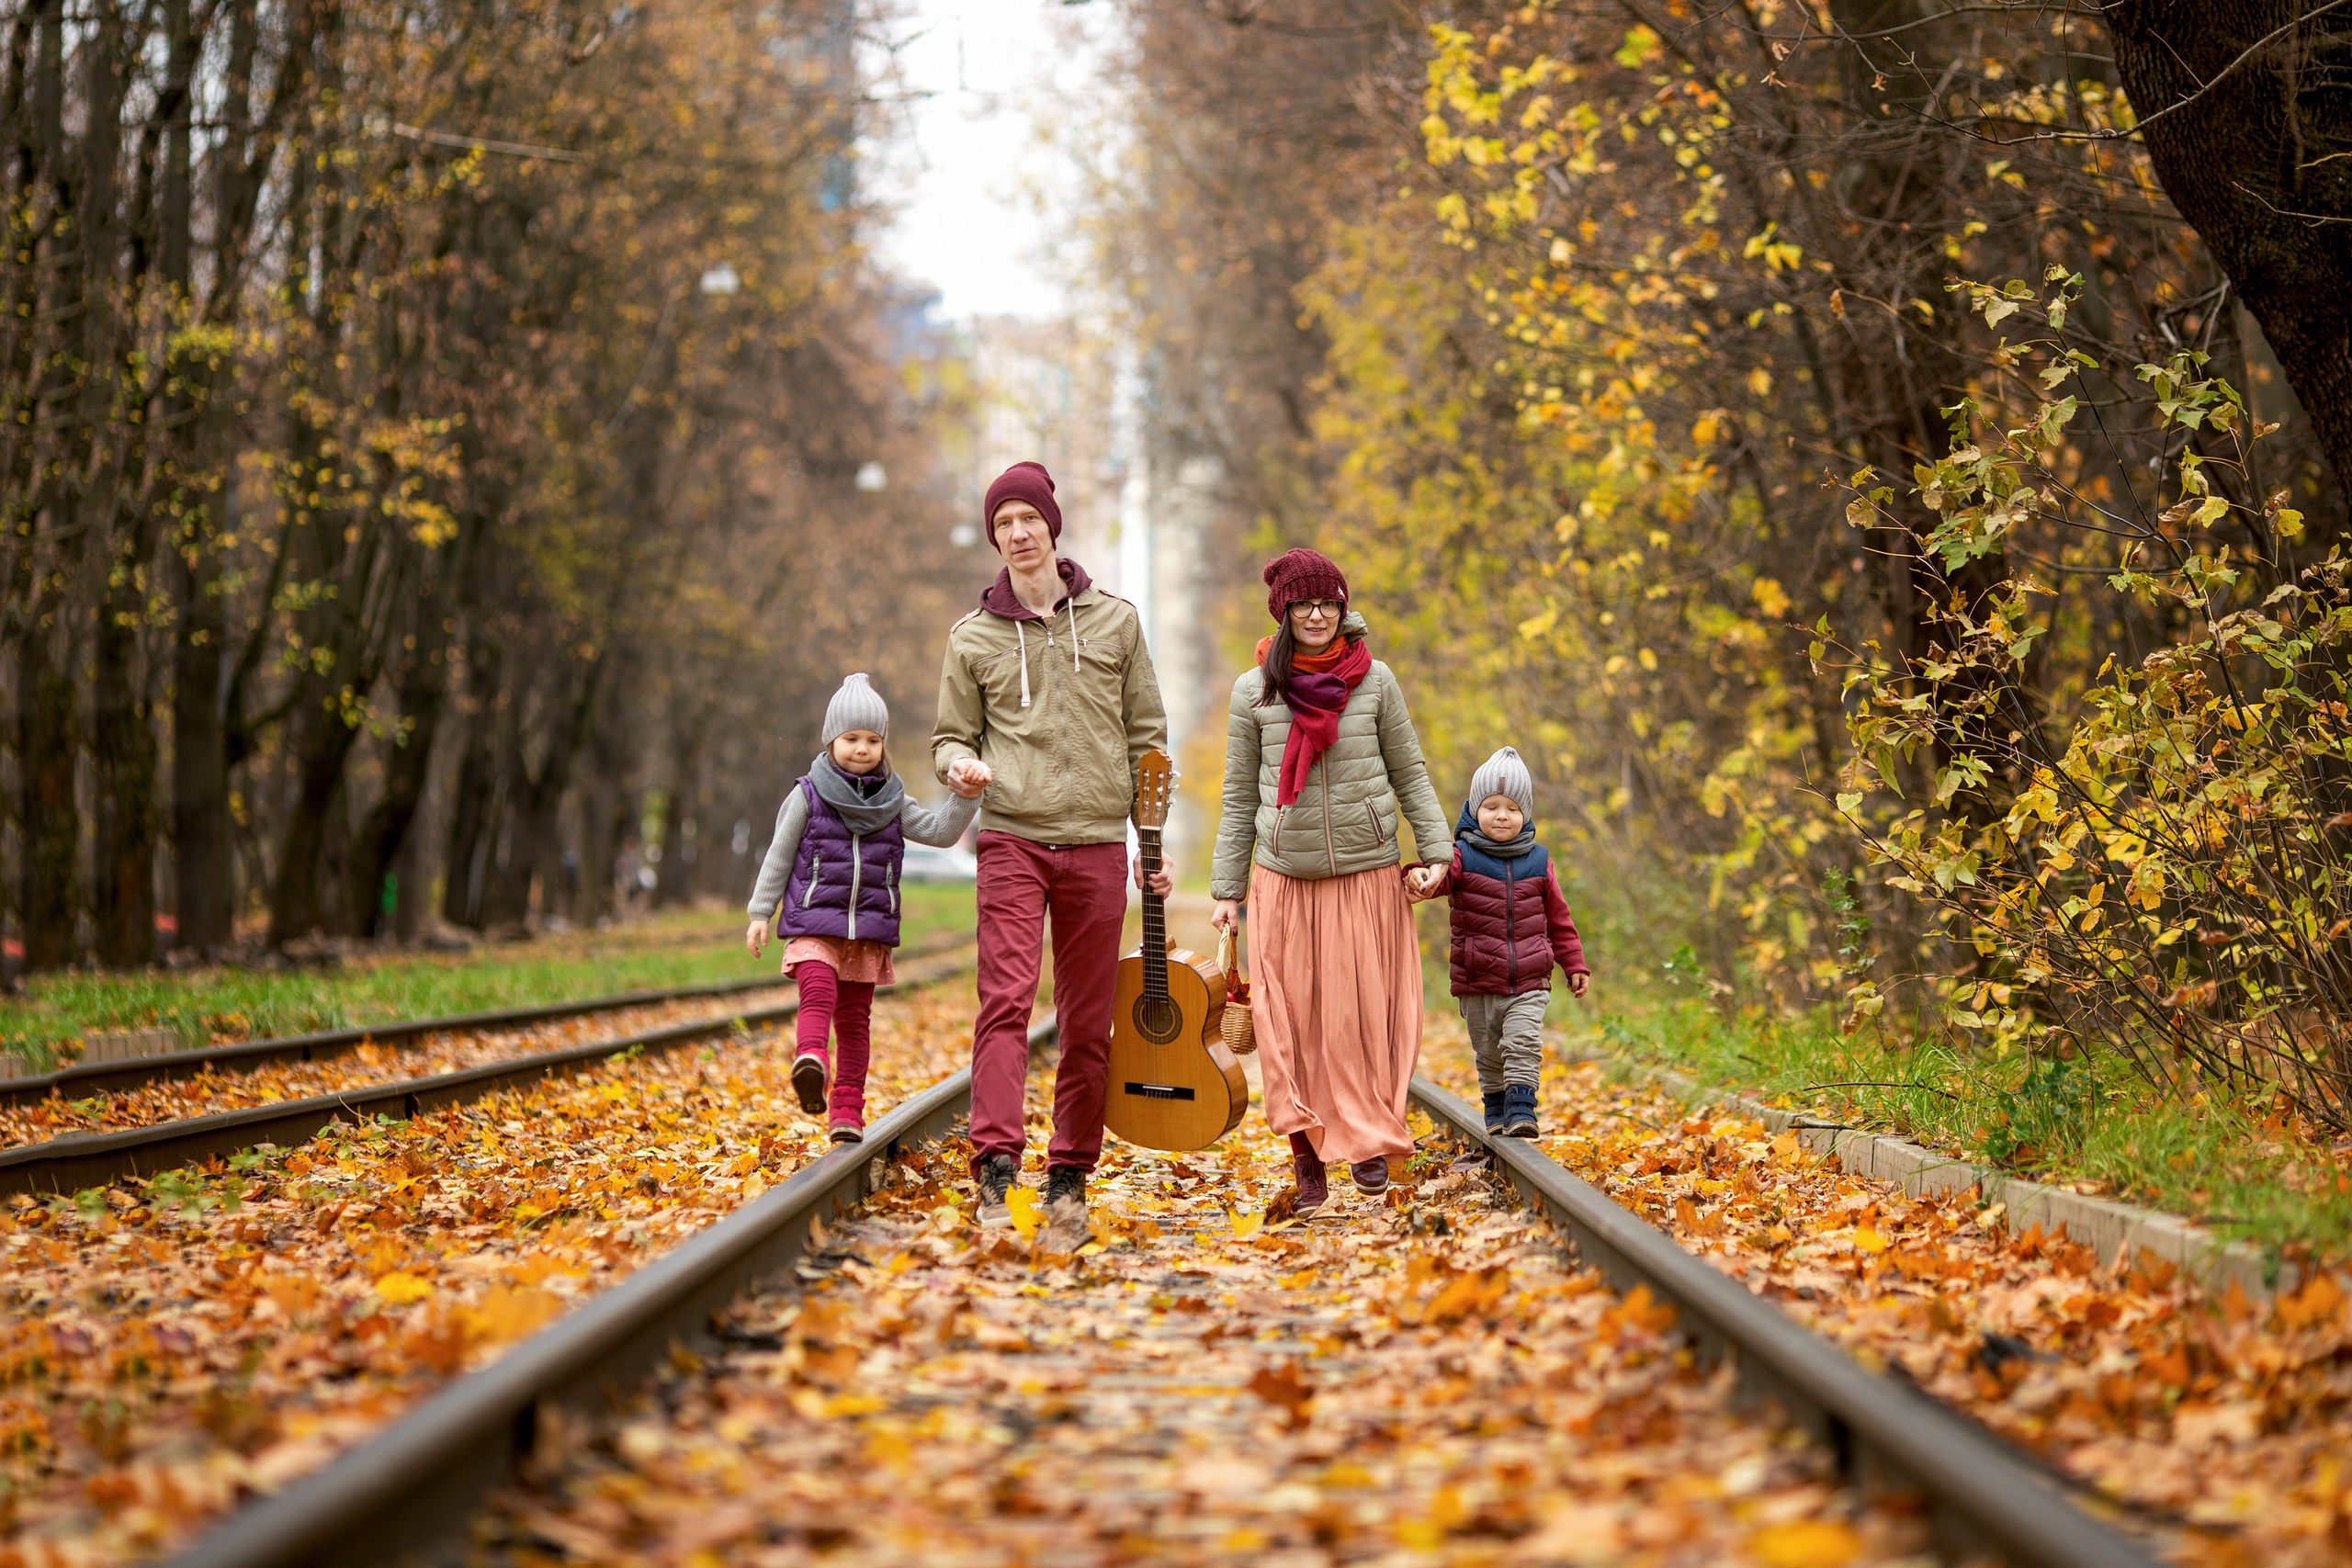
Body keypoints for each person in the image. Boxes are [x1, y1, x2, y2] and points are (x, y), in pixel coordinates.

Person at [933, 461, 1169, 1233]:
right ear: (995, 538)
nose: (1017, 534)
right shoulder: (971, 639)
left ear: (1051, 526)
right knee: (1003, 1002)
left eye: (1027, 519)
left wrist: (1151, 842)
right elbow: (949, 736)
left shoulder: (1116, 622)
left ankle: (1071, 1170)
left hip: (1098, 842)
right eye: (1003, 524)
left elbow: (1148, 739)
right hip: (1011, 836)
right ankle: (995, 1165)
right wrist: (957, 767)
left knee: (1087, 1018)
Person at [1209, 547, 1452, 1216]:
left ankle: (1368, 1141)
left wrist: (1438, 854)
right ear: (1284, 613)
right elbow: (1237, 799)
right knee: (1289, 1029)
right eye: (1303, 604)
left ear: (1344, 608)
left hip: (1365, 877)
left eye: (1328, 603)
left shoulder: (1376, 682)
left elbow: (1411, 772)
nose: (1317, 614)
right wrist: (1226, 891)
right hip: (1282, 882)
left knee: (1359, 1021)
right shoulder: (1253, 688)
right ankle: (1308, 1159)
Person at [746, 673, 985, 1145]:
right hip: (816, 922)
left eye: (873, 740)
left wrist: (966, 798)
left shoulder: (893, 801)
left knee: (855, 1025)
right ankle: (811, 1058)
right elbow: (779, 853)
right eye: (851, 738)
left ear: (883, 744)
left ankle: (847, 1113)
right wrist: (761, 912)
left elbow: (938, 832)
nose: (862, 748)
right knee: (817, 993)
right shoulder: (807, 796)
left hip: (868, 931)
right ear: (831, 740)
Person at [1414, 746, 1589, 1154]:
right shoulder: (1460, 858)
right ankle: (1496, 1111)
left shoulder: (1539, 861)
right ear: (1475, 810)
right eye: (1491, 806)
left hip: (1530, 977)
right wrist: (1417, 877)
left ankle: (1523, 1110)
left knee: (1522, 1041)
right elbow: (1435, 879)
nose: (1501, 815)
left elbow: (1559, 918)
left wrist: (1573, 963)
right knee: (1489, 1053)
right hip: (1478, 980)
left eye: (1511, 808)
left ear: (1525, 814)